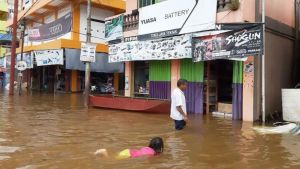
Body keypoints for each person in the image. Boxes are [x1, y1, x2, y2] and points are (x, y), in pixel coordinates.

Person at [95, 137, 164, 159]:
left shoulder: (146, 148)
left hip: (129, 151)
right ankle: (104, 152)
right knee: (111, 160)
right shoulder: (152, 153)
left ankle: (100, 153)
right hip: (129, 155)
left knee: (115, 156)